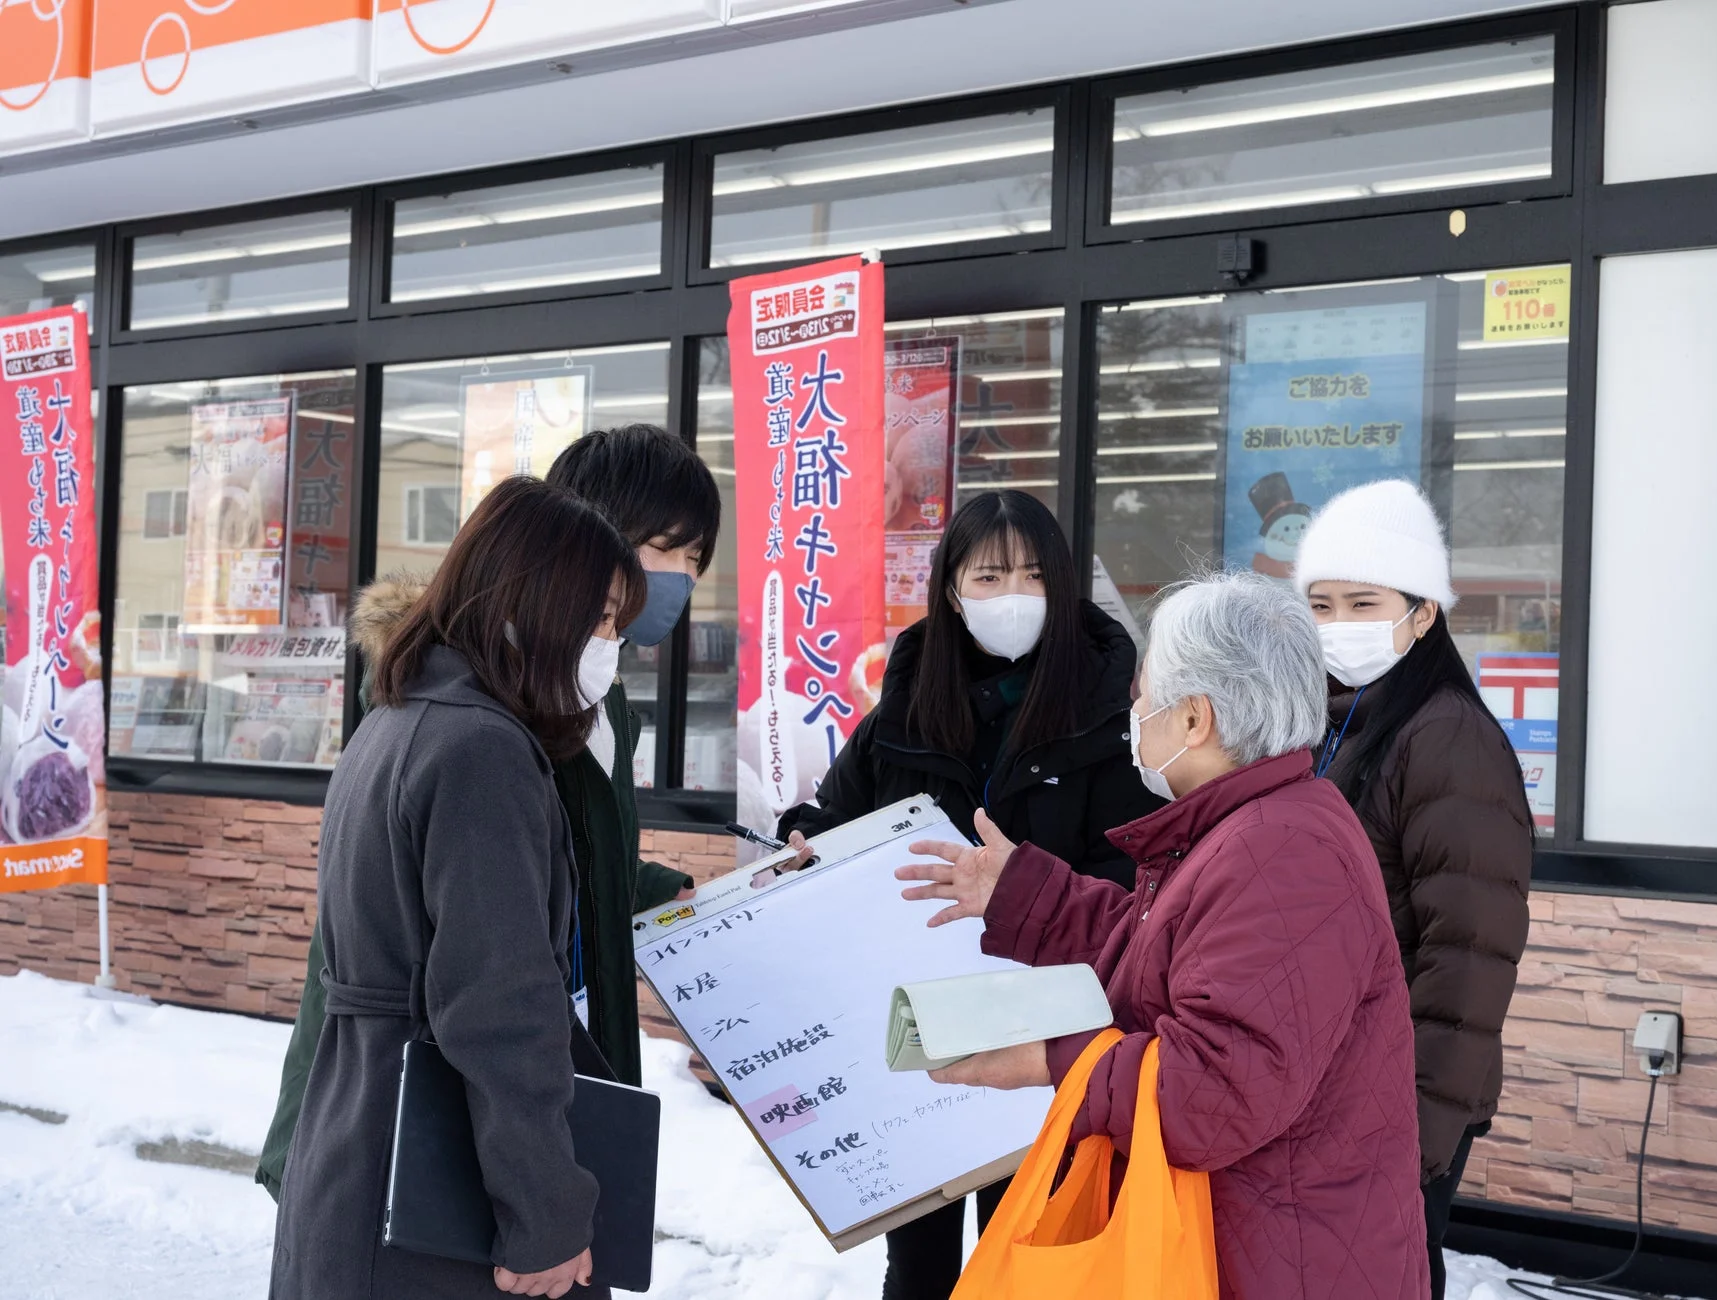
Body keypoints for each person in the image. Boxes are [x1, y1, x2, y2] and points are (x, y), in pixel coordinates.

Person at [894, 571, 1427, 1300]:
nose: (1133, 711)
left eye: (1144, 694)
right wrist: (1023, 893)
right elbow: (1167, 955)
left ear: (1194, 720)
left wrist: (1052, 1060)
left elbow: (1215, 1092)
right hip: (1256, 1242)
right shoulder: (1253, 826)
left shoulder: (1281, 851)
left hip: (1278, 1262)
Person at [256, 425, 721, 1200]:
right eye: (664, 549)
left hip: (520, 1106)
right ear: (580, 536)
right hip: (417, 1118)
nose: (677, 579)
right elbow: (488, 966)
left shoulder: (594, 695)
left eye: (696, 560)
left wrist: (649, 886)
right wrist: (542, 1200)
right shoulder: (482, 712)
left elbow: (545, 865)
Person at [777, 487, 1162, 1300]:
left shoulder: (1111, 708)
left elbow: (1136, 875)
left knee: (1027, 1245)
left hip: (1051, 1018)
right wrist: (804, 838)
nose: (1011, 596)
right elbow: (839, 813)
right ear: (952, 590)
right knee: (917, 1255)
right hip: (927, 1013)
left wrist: (1028, 892)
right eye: (989, 577)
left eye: (1031, 575)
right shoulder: (908, 702)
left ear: (1062, 587)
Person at [269, 476, 642, 1299]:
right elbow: (499, 1007)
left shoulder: (401, 719)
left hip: (358, 1142)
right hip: (436, 1193)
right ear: (537, 599)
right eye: (602, 614)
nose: (612, 641)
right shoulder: (481, 749)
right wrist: (546, 1212)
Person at [1292, 479, 1533, 1300]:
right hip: (1332, 1078)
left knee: (1388, 1274)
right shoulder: (1336, 721)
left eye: (1363, 602)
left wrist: (1422, 1128)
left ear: (1424, 611)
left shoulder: (1447, 737)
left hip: (1402, 1095)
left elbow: (1469, 955)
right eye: (1320, 604)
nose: (1338, 625)